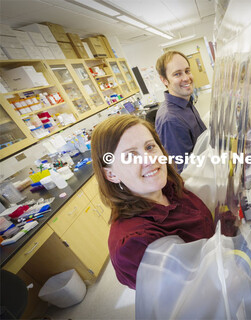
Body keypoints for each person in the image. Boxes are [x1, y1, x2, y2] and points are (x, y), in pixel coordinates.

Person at [91, 114, 215, 289]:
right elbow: (192, 295)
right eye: (130, 156)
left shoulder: (169, 188)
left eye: (150, 147)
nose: (150, 159)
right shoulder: (135, 243)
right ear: (111, 174)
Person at [155, 51, 207, 172]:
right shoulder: (171, 119)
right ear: (164, 80)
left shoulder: (186, 102)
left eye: (187, 71)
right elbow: (185, 171)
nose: (186, 78)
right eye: (177, 74)